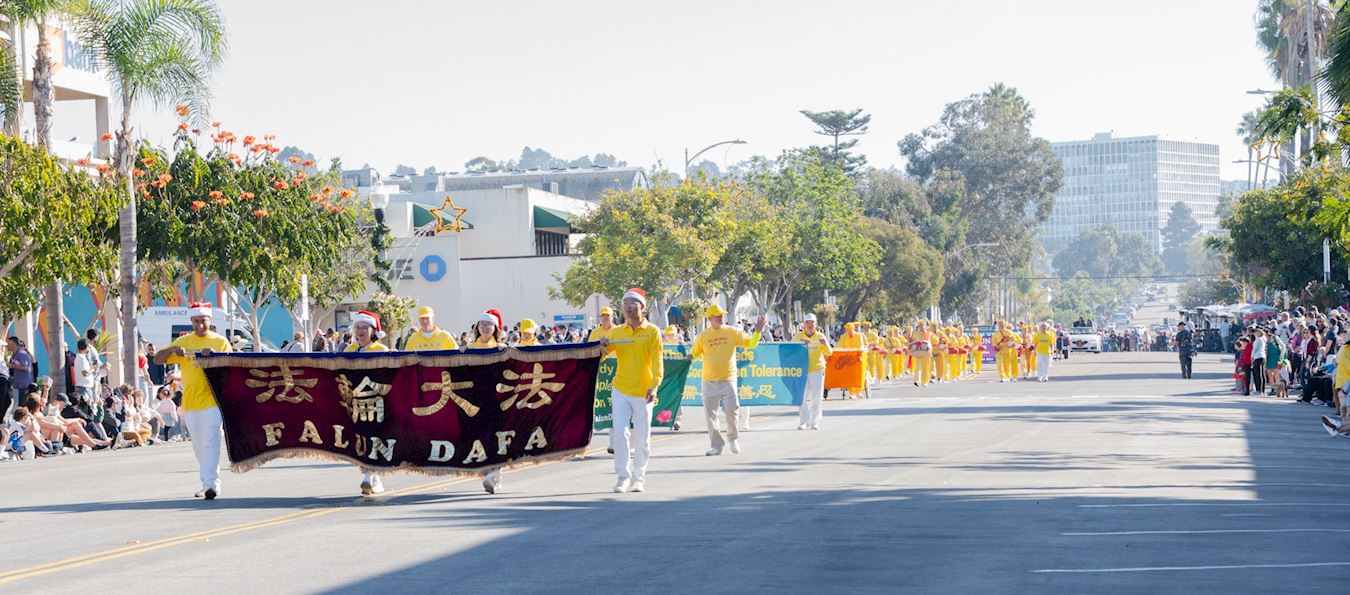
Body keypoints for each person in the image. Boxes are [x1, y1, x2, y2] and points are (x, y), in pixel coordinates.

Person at [154, 302, 232, 500]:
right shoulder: (184, 341)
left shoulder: (220, 342)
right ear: (191, 321)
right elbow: (157, 359)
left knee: (211, 442)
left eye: (203, 321)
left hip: (213, 402)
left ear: (210, 320)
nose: (200, 325)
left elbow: (231, 366)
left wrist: (214, 357)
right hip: (190, 404)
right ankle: (207, 483)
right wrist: (173, 350)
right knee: (199, 446)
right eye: (196, 321)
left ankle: (212, 485)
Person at [599, 288, 662, 493]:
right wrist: (602, 346)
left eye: (632, 303)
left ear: (642, 307)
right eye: (625, 303)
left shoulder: (652, 331)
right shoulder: (616, 332)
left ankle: (639, 478)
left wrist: (654, 385)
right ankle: (623, 477)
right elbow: (602, 355)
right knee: (620, 433)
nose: (628, 307)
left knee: (642, 438)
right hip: (621, 389)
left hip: (644, 392)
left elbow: (657, 362)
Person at [690, 304, 765, 456]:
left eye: (722, 315)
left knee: (732, 410)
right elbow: (695, 353)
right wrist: (689, 356)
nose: (721, 318)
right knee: (710, 415)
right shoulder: (703, 336)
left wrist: (757, 332)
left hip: (728, 379)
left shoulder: (732, 332)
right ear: (710, 318)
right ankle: (716, 446)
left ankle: (733, 438)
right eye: (718, 316)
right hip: (708, 380)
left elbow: (750, 343)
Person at [341, 310, 391, 495]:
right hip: (355, 402)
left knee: (374, 435)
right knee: (360, 437)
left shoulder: (381, 350)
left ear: (373, 331)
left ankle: (370, 474)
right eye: (358, 327)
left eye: (365, 328)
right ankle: (373, 476)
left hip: (377, 402)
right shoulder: (349, 350)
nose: (360, 331)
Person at [793, 314, 832, 430]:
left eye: (812, 323)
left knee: (817, 397)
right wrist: (800, 343)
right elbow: (790, 350)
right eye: (807, 323)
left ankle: (814, 421)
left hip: (817, 369)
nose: (809, 325)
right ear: (804, 324)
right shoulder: (798, 336)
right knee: (802, 397)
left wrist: (825, 344)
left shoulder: (820, 336)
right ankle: (803, 421)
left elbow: (829, 352)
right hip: (802, 370)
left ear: (816, 324)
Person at [835, 323, 866, 397]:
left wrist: (859, 351)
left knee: (858, 374)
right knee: (849, 375)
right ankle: (851, 393)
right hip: (847, 358)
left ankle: (858, 391)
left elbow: (861, 345)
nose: (849, 331)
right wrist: (837, 349)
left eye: (850, 329)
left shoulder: (858, 336)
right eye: (847, 329)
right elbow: (839, 345)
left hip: (857, 357)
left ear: (853, 329)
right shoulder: (843, 337)